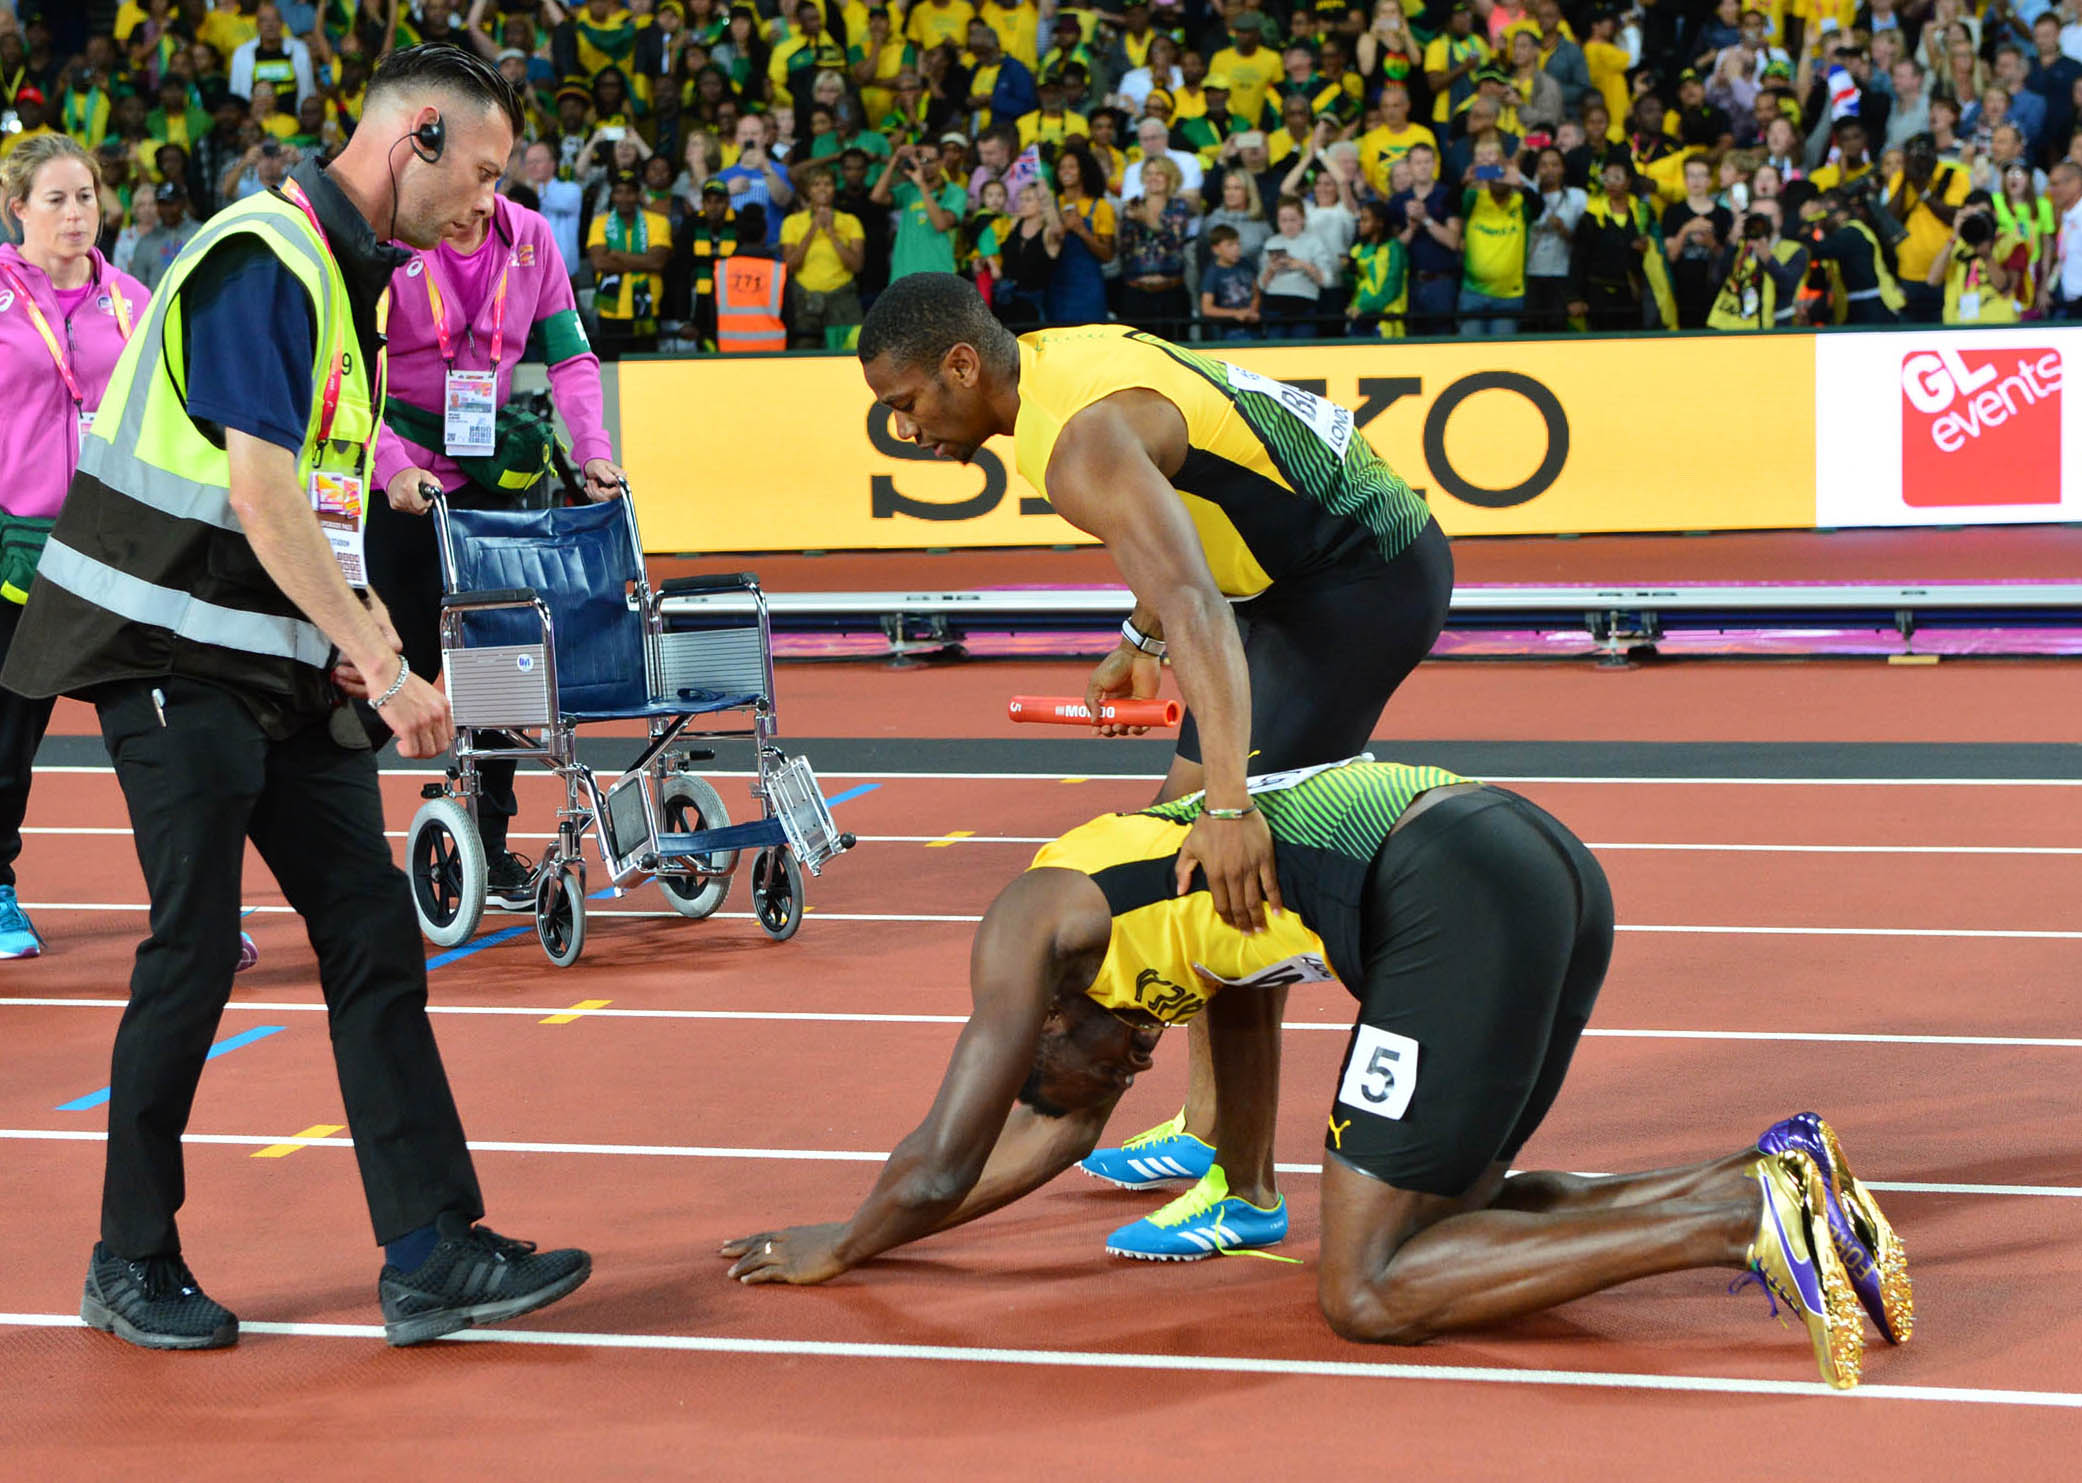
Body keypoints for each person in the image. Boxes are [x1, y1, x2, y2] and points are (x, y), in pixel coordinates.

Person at [0, 44, 589, 1353]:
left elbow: (321, 497)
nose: (491, 207)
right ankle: (127, 1257)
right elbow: (263, 497)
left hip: (271, 657)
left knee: (373, 927)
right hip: (165, 651)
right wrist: (382, 662)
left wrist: (354, 635)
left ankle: (430, 1249)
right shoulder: (263, 257)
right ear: (417, 136)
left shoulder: (349, 274)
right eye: (484, 173)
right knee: (196, 945)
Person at [716, 760, 1909, 1393]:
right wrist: (897, 1235)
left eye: (1108, 1061)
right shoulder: (1119, 974)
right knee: (1452, 1222)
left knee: (1368, 1291)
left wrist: (842, 1241)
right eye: (1132, 1061)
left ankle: (1741, 1220)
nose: (1141, 1061)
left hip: (1446, 885)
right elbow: (1051, 1137)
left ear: (1041, 1030)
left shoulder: (1031, 923)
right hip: (1527, 854)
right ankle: (1770, 1171)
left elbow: (945, 1157)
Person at [855, 279, 1453, 1247]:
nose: (906, 429)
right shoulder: (1055, 363)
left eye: (906, 403)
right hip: (1299, 579)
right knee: (1177, 837)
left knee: (1219, 868)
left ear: (961, 365)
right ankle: (1208, 1124)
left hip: (1357, 582)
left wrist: (1232, 806)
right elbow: (1195, 505)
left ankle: (1247, 1187)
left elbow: (1198, 603)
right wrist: (1141, 635)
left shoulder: (1074, 441)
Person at [370, 169, 621, 911]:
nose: (472, 207)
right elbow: (350, 375)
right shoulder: (390, 242)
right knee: (396, 663)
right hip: (402, 486)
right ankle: (336, 842)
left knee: (503, 666)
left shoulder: (531, 238)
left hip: (494, 481)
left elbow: (570, 356)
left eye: (486, 183)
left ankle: (486, 846)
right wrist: (391, 466)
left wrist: (592, 448)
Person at [0, 137, 152, 963]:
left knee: (156, 740)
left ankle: (189, 902)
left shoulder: (131, 301)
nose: (74, 214)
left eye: (85, 197)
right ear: (17, 209)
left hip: (116, 558)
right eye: (55, 199)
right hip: (11, 558)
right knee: (5, 742)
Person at [588, 166, 673, 355]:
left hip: (647, 310)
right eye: (618, 192)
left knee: (645, 366)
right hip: (611, 311)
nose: (624, 198)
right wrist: (643, 261)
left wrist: (616, 254)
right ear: (612, 196)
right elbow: (599, 263)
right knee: (612, 366)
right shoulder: (600, 223)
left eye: (630, 192)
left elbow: (657, 263)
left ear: (638, 195)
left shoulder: (659, 222)